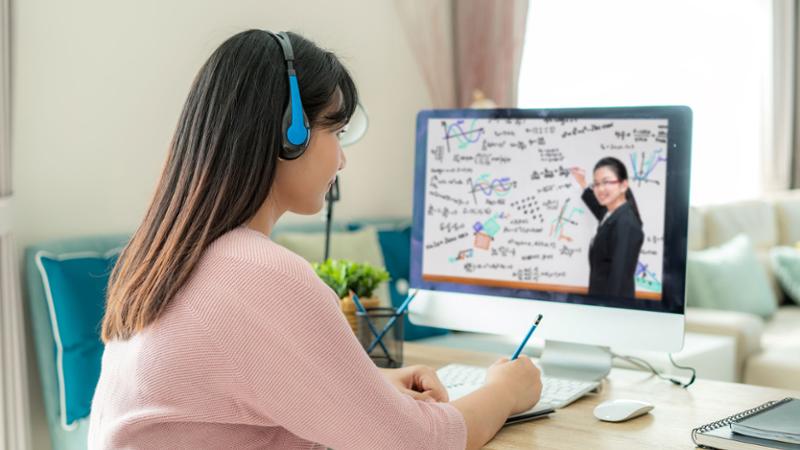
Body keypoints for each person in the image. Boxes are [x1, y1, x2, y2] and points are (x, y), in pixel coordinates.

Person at [87, 30, 542, 450]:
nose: (341, 159)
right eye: (336, 132)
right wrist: (503, 392)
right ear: (292, 132)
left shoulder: (163, 259)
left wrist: (370, 389)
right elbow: (416, 443)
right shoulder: (259, 274)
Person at [570, 157, 644, 298]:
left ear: (623, 185)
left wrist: (607, 313)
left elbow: (619, 279)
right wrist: (583, 183)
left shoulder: (626, 224)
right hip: (600, 303)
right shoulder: (611, 214)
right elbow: (597, 207)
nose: (600, 189)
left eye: (606, 182)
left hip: (611, 309)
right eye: (596, 184)